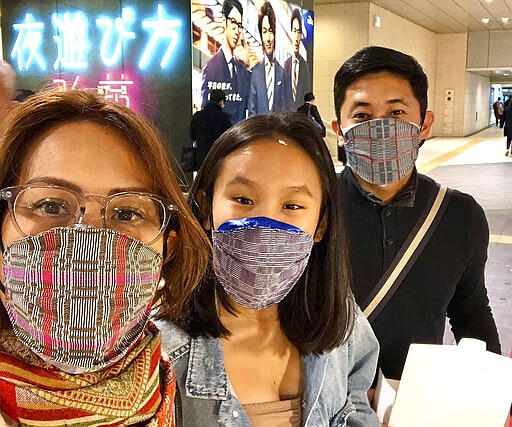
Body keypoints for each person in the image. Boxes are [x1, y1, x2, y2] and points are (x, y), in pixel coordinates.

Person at [0, 88, 211, 425]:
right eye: (50, 205)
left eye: (127, 213)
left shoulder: (191, 395)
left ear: (166, 251)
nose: (90, 239)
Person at [158, 113, 380, 426]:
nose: (265, 224)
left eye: (291, 206)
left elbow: (357, 413)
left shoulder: (344, 326)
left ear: (321, 224)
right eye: (243, 199)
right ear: (207, 210)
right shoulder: (160, 349)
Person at [331, 46, 501, 384]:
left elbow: (470, 310)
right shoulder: (311, 207)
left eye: (396, 113)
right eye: (362, 116)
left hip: (413, 401)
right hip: (324, 398)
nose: (380, 127)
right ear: (339, 128)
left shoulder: (458, 215)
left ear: (424, 124)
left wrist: (495, 388)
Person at [200, 0, 250, 124]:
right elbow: (205, 112)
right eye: (233, 22)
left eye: (239, 25)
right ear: (224, 20)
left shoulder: (241, 69)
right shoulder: (211, 68)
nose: (237, 30)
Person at [248, 2, 289, 116]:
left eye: (270, 31)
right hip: (259, 130)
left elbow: (286, 108)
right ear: (261, 35)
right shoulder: (255, 72)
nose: (268, 39)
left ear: (275, 34)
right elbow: (252, 109)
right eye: (264, 31)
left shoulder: (282, 72)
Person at [190, 88, 232, 170]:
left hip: (201, 158)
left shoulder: (198, 116)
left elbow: (191, 135)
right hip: (218, 158)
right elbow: (229, 138)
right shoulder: (224, 117)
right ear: (221, 101)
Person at [284, 9, 311, 112]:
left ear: (301, 36)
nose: (296, 37)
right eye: (294, 31)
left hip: (299, 119)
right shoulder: (285, 65)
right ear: (290, 33)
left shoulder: (304, 66)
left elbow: (307, 97)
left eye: (299, 32)